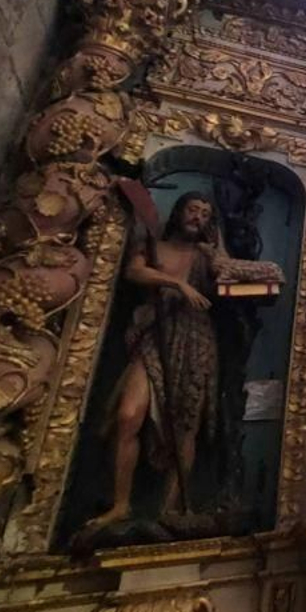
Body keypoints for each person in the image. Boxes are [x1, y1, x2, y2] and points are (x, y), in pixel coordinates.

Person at [87, 192, 223, 529]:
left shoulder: (205, 255)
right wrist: (176, 282)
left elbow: (227, 270)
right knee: (128, 413)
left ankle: (170, 507)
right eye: (193, 209)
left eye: (205, 214)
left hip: (194, 338)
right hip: (156, 332)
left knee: (186, 425)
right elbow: (134, 273)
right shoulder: (152, 247)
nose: (198, 217)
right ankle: (121, 504)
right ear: (178, 213)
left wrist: (220, 244)